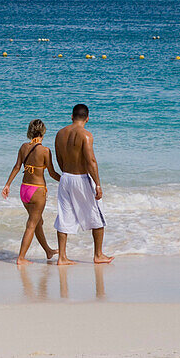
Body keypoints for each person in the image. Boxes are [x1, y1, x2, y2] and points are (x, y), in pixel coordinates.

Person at [53, 104, 113, 265]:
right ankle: (98, 255)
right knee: (97, 215)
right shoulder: (86, 135)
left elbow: (59, 159)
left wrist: (66, 173)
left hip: (65, 178)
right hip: (82, 178)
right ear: (87, 118)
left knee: (64, 216)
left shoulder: (60, 134)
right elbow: (91, 161)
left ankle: (62, 257)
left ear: (71, 116)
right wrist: (98, 184)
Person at [2, 119, 61, 265]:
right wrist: (66, 180)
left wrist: (7, 185)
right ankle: (21, 258)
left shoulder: (23, 147)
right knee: (31, 224)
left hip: (24, 190)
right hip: (37, 191)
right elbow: (52, 173)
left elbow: (16, 167)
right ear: (43, 131)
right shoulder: (45, 151)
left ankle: (48, 250)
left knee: (37, 222)